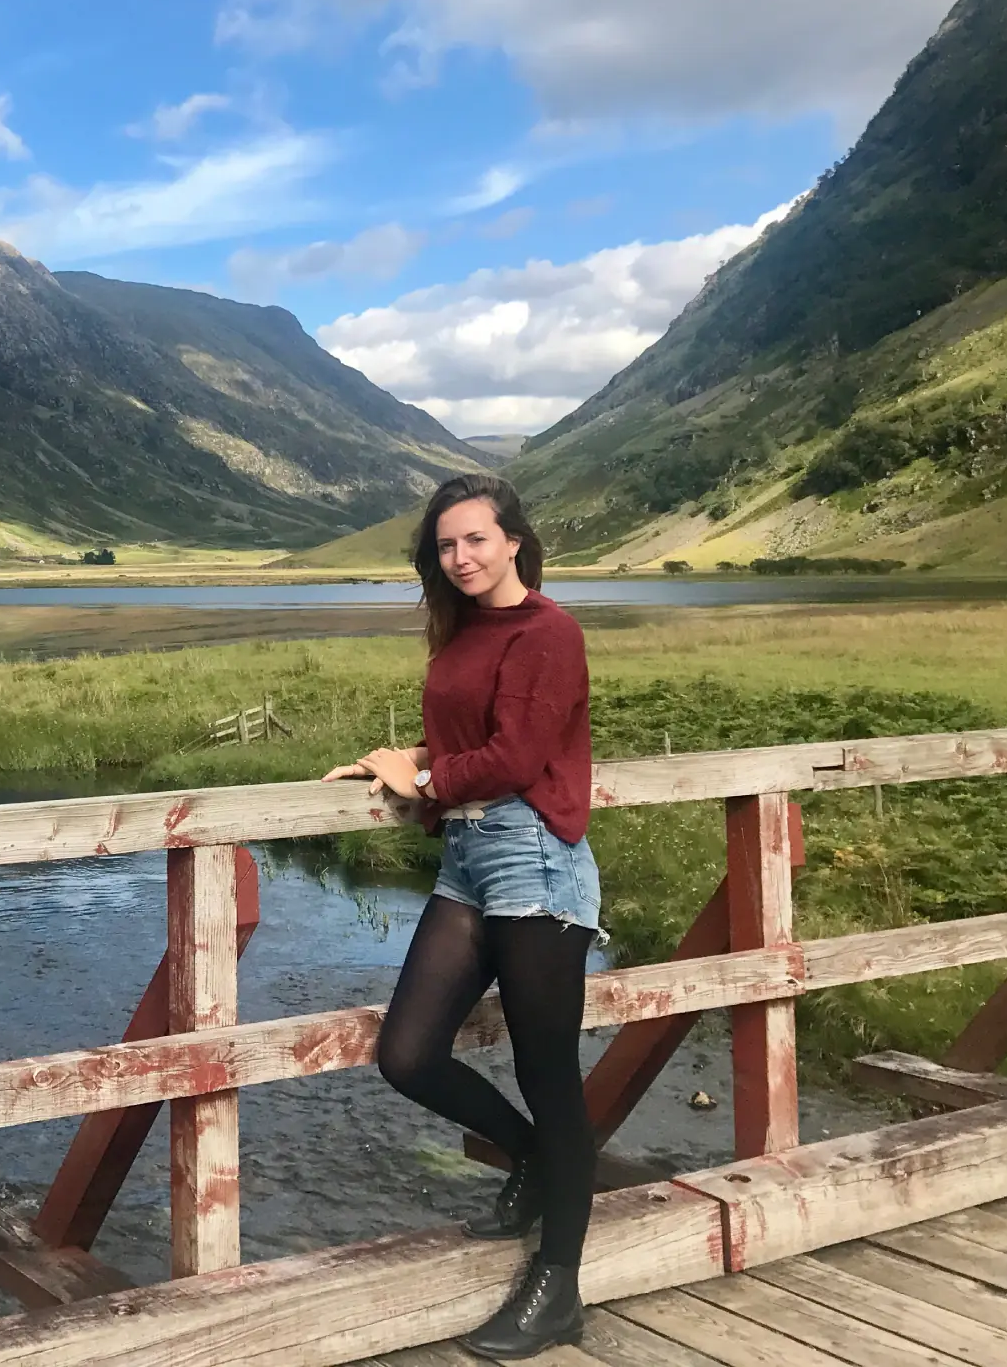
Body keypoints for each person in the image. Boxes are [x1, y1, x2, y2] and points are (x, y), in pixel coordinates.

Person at [323, 473, 599, 1359]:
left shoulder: (549, 631)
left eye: (476, 539)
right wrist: (398, 757)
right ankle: (531, 1160)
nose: (461, 557)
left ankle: (559, 1286)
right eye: (446, 546)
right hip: (468, 862)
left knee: (550, 1076)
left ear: (514, 538)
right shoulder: (462, 631)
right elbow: (468, 730)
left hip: (535, 861)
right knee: (406, 1055)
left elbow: (520, 753)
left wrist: (427, 783)